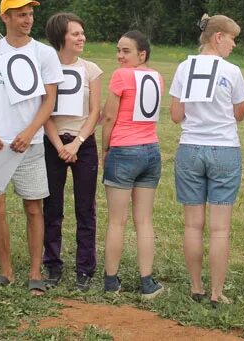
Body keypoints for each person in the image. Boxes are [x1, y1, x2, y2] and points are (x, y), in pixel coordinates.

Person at [0, 0, 64, 295]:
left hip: (30, 144)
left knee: (34, 208)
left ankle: (36, 272)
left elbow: (50, 100)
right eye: (20, 14)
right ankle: (5, 271)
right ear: (5, 17)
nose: (27, 20)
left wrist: (30, 130)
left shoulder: (44, 53)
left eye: (30, 14)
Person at [169, 14, 244, 306]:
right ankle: (216, 293)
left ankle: (196, 287)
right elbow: (240, 112)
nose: (233, 44)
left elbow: (176, 115)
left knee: (192, 226)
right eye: (232, 38)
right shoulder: (232, 71)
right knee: (220, 229)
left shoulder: (183, 67)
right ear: (218, 37)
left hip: (190, 148)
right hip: (224, 149)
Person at [41, 13, 103, 291]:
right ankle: (52, 265)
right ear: (60, 37)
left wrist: (77, 143)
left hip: (83, 144)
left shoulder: (92, 69)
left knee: (85, 209)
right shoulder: (45, 68)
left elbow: (95, 113)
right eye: (75, 34)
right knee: (52, 208)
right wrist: (59, 146)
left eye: (82, 32)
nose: (81, 38)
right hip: (53, 142)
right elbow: (43, 112)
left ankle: (85, 268)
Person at [101, 30, 165, 298]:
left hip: (124, 150)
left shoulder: (121, 76)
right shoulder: (157, 77)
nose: (119, 56)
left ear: (142, 54)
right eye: (118, 50)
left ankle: (111, 281)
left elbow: (108, 118)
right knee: (144, 221)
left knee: (117, 221)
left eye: (126, 51)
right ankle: (147, 281)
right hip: (151, 151)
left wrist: (104, 150)